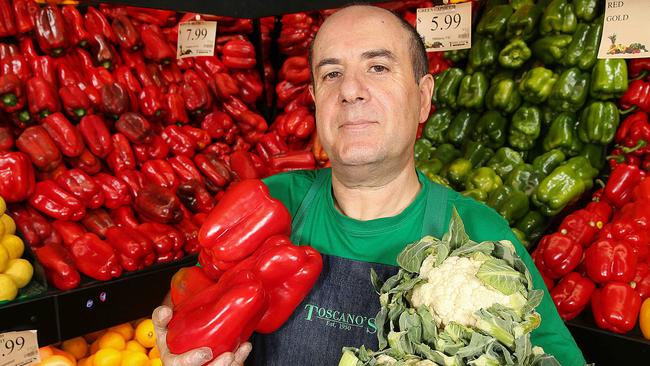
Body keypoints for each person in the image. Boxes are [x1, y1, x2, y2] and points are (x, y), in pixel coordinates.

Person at [153, 4, 586, 366]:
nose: (352, 90)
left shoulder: (482, 235)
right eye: (331, 74)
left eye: (377, 67)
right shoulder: (268, 204)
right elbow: (197, 305)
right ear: (316, 100)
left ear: (423, 98)